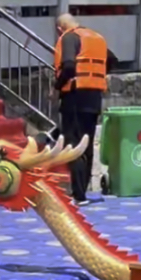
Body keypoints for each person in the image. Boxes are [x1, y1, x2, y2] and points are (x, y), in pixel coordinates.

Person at [53, 13, 112, 206]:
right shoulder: (96, 38)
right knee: (86, 144)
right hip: (93, 97)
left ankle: (78, 195)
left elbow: (69, 65)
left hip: (75, 96)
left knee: (74, 143)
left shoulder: (69, 37)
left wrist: (57, 86)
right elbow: (112, 60)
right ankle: (82, 192)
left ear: (60, 28)